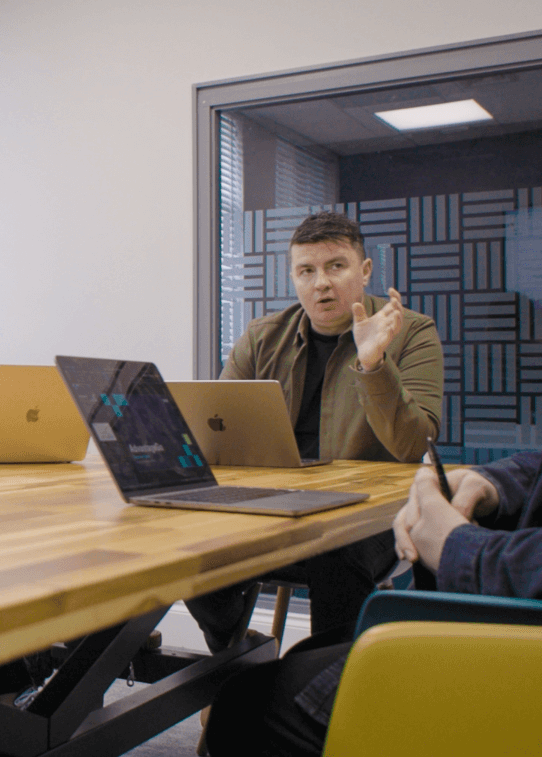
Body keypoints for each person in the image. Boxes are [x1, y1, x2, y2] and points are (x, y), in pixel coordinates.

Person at [186, 211, 445, 651]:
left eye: (336, 267)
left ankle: (324, 688)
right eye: (307, 271)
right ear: (294, 277)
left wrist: (373, 363)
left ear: (364, 271)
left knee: (336, 551)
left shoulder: (411, 332)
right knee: (189, 541)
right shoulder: (263, 336)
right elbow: (218, 426)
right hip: (275, 503)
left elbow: (410, 445)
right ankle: (233, 650)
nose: (321, 283)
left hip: (372, 512)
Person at [204, 451, 542, 757]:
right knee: (214, 555)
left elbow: (406, 443)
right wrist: (492, 482)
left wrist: (461, 548)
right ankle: (230, 647)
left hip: (513, 646)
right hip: (500, 619)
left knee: (241, 707)